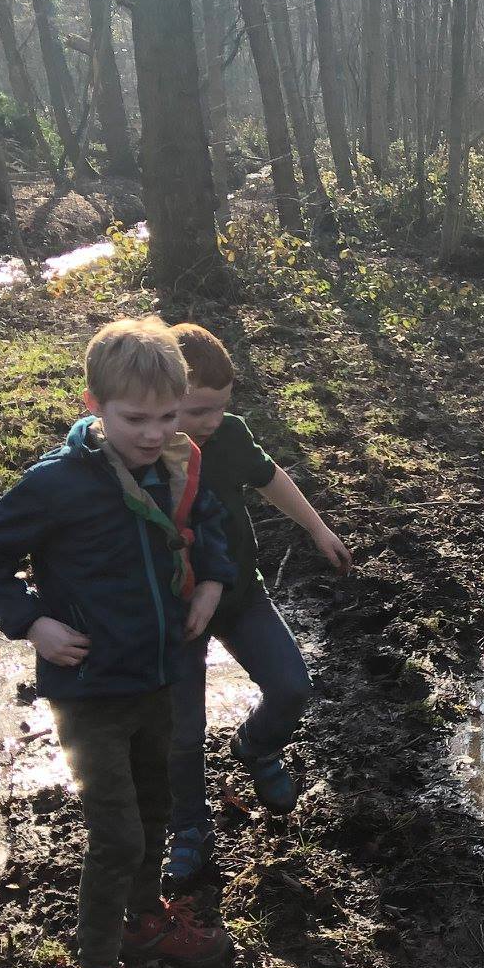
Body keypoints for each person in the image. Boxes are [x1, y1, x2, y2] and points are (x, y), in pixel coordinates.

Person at [0, 317, 239, 968]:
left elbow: (205, 524)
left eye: (168, 416)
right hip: (88, 691)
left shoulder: (177, 464)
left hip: (157, 676)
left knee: (154, 807)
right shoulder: (57, 484)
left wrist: (211, 580)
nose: (153, 433)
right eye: (134, 419)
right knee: (115, 833)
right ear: (94, 406)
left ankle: (144, 918)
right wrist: (32, 622)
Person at [164, 323, 353, 886]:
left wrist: (317, 529)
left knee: (293, 685)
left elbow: (271, 479)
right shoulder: (142, 455)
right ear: (159, 396)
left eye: (221, 408)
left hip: (241, 593)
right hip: (175, 615)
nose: (211, 423)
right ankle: (190, 829)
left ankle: (257, 746)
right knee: (183, 730)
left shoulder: (230, 437)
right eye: (198, 411)